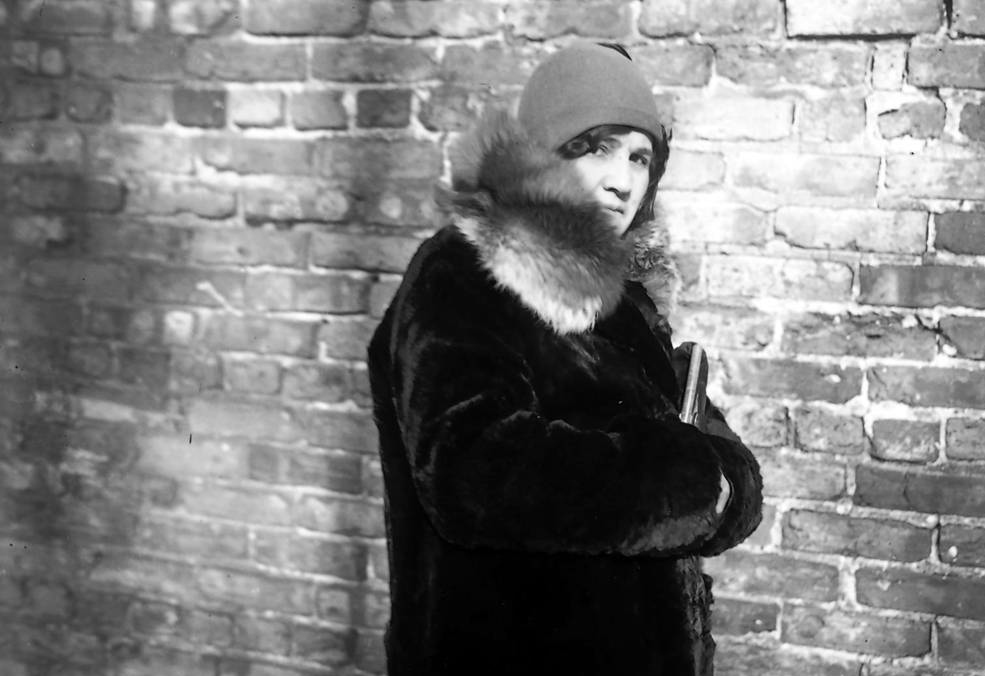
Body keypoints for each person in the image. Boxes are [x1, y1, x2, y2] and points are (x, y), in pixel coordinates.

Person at [367, 41, 763, 676]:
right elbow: (470, 471)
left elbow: (715, 457)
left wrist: (728, 487)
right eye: (596, 147)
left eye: (640, 158)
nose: (623, 179)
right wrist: (678, 485)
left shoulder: (624, 305)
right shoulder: (465, 271)